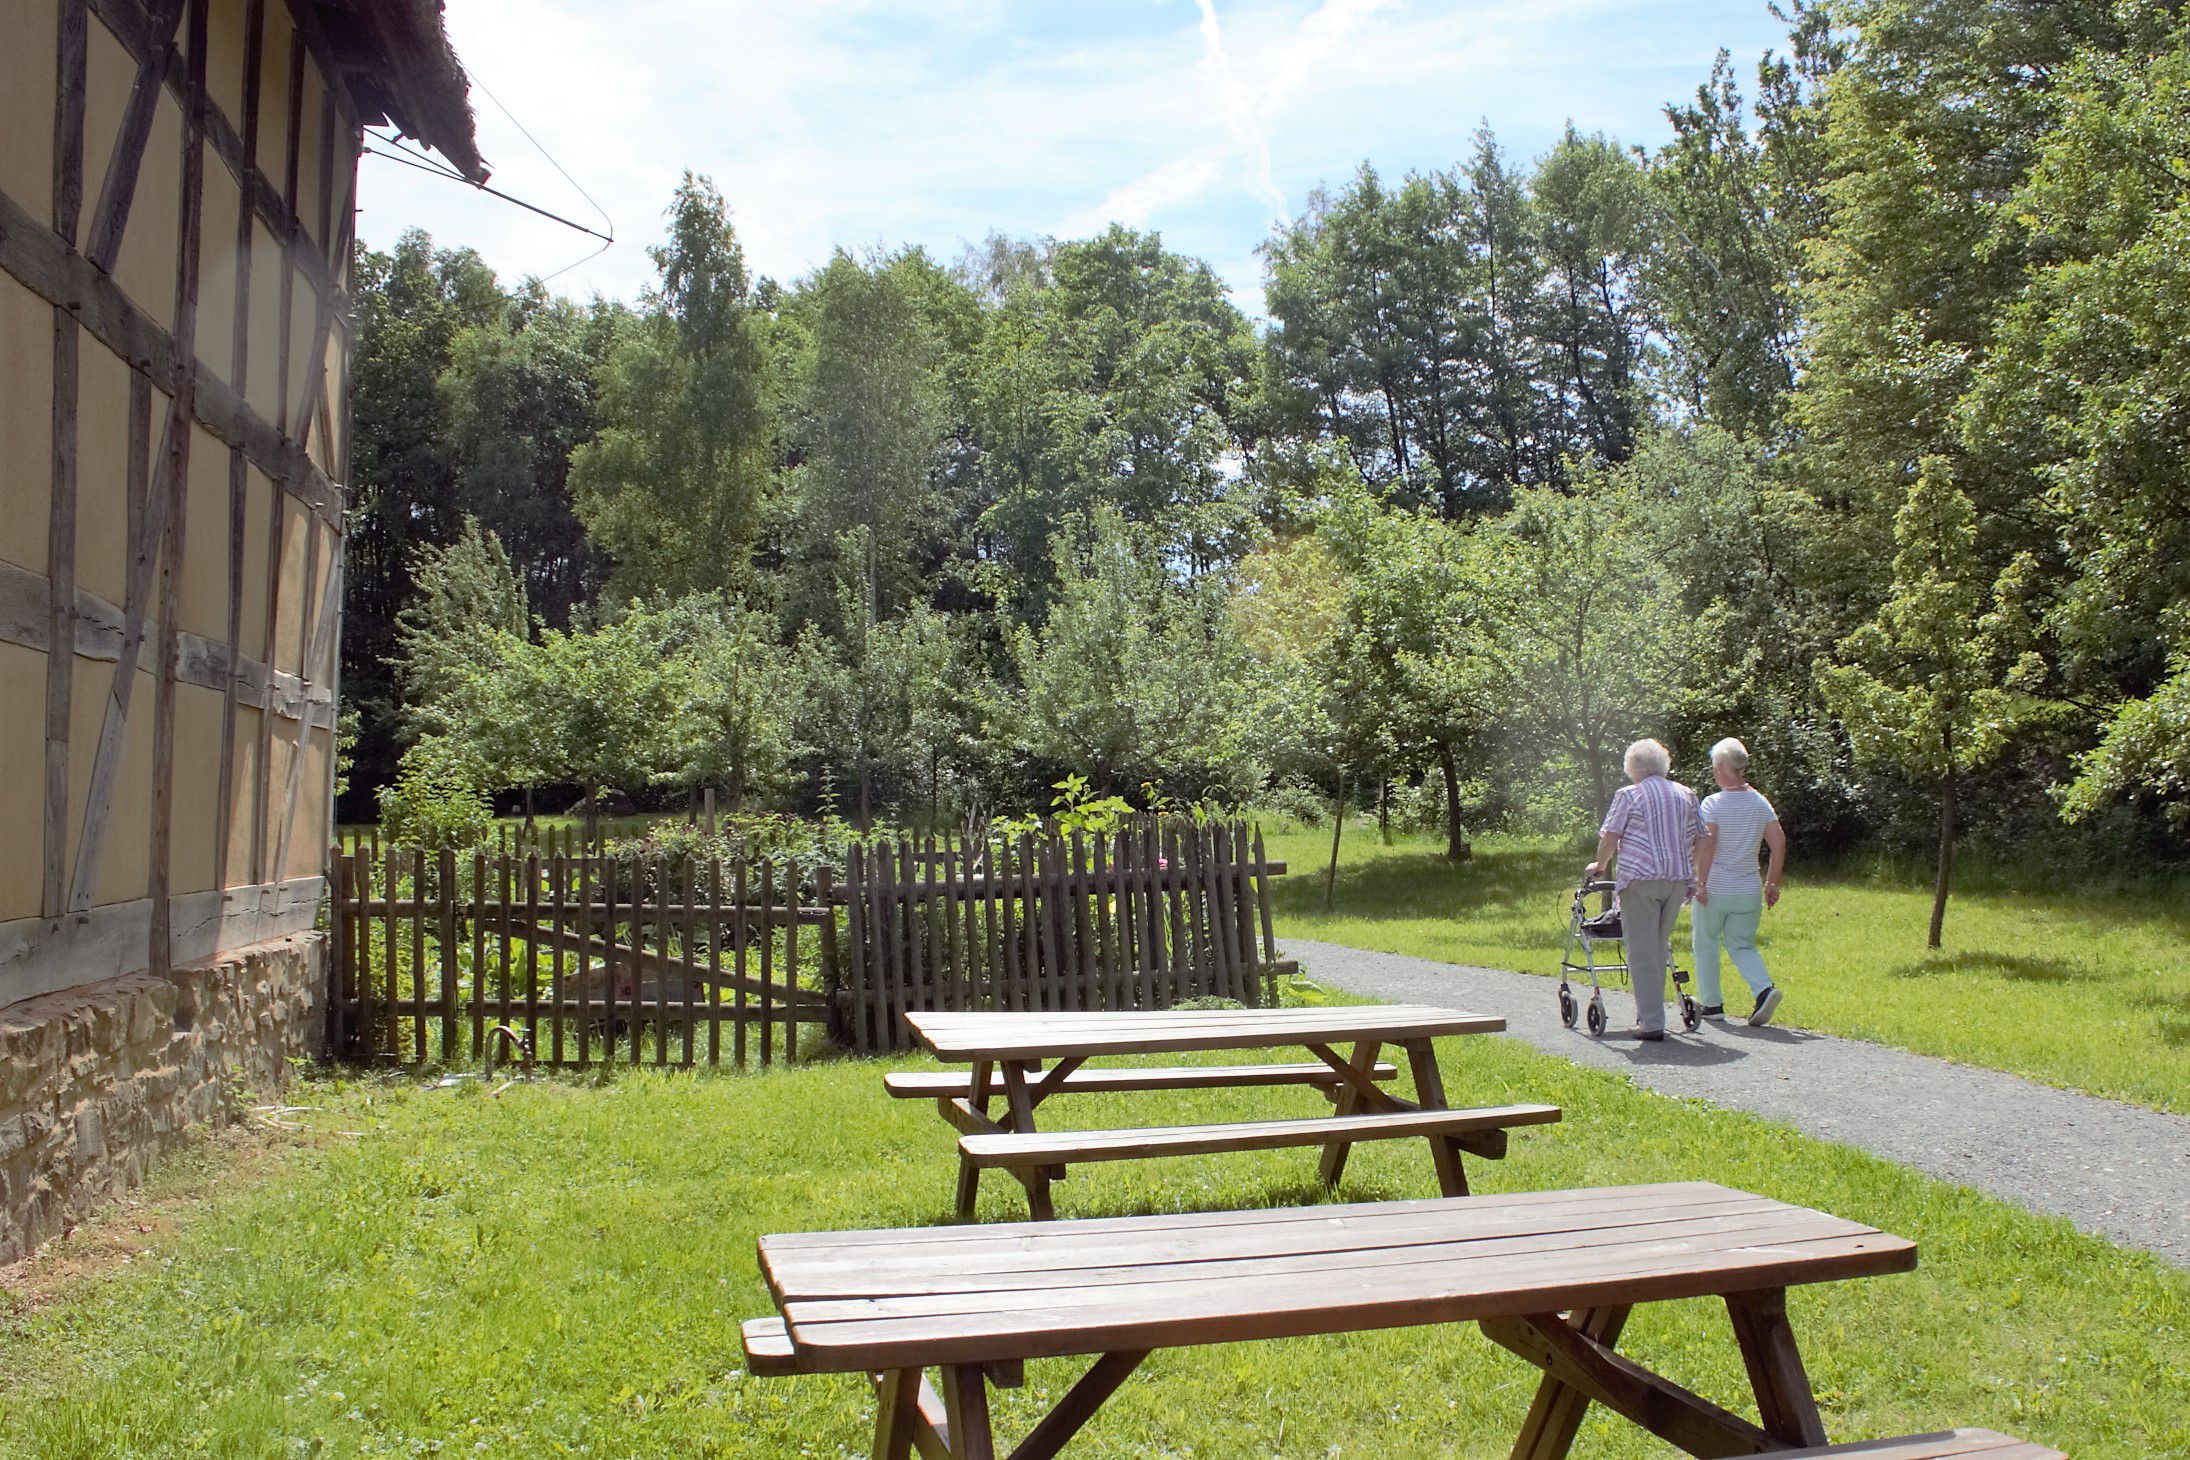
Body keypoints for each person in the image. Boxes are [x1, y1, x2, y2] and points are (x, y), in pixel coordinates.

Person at [1585, 738, 1701, 1041]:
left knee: (1640, 951)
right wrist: (1694, 872)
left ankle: (1651, 1023)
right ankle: (1652, 1014)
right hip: (1676, 879)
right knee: (1659, 949)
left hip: (1640, 878)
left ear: (1636, 767)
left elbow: (1611, 836)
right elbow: (1699, 836)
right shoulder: (1685, 795)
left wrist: (1599, 866)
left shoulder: (1629, 795)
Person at [1691, 737, 1787, 1026]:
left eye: (1713, 766)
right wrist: (1772, 883)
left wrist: (1701, 883)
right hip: (1748, 890)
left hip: (1718, 887)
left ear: (1721, 767)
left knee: (1706, 942)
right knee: (1742, 945)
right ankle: (1763, 989)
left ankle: (1712, 1004)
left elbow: (1708, 844)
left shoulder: (1713, 803)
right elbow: (1779, 843)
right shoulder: (1759, 802)